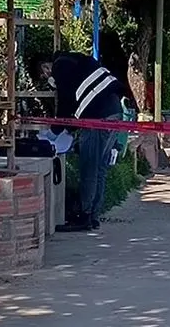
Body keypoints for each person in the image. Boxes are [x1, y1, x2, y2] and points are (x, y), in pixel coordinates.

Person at [34, 51, 129, 232]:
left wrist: (55, 131)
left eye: (44, 73)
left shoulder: (60, 66)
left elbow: (65, 102)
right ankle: (93, 215)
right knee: (100, 168)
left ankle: (84, 216)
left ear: (46, 65)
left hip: (96, 117)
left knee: (89, 167)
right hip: (114, 111)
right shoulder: (76, 60)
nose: (47, 77)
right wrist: (69, 129)